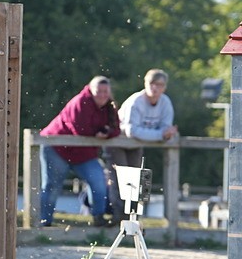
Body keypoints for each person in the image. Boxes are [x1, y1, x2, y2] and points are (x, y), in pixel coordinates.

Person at [39, 76, 120, 227]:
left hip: (84, 153)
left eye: (105, 91)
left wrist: (106, 133)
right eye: (99, 91)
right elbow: (79, 129)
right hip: (58, 148)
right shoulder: (80, 102)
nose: (102, 95)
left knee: (99, 181)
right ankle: (44, 222)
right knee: (52, 186)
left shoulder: (110, 107)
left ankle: (99, 217)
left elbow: (116, 128)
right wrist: (98, 133)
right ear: (91, 90)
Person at [106, 69, 177, 219]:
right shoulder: (136, 101)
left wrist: (162, 134)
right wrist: (160, 135)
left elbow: (167, 129)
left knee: (138, 180)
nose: (155, 88)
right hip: (118, 142)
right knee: (120, 179)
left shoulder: (165, 103)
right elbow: (132, 131)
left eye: (159, 84)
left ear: (164, 87)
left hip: (137, 145)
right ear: (145, 84)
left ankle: (134, 217)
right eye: (152, 83)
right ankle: (118, 216)